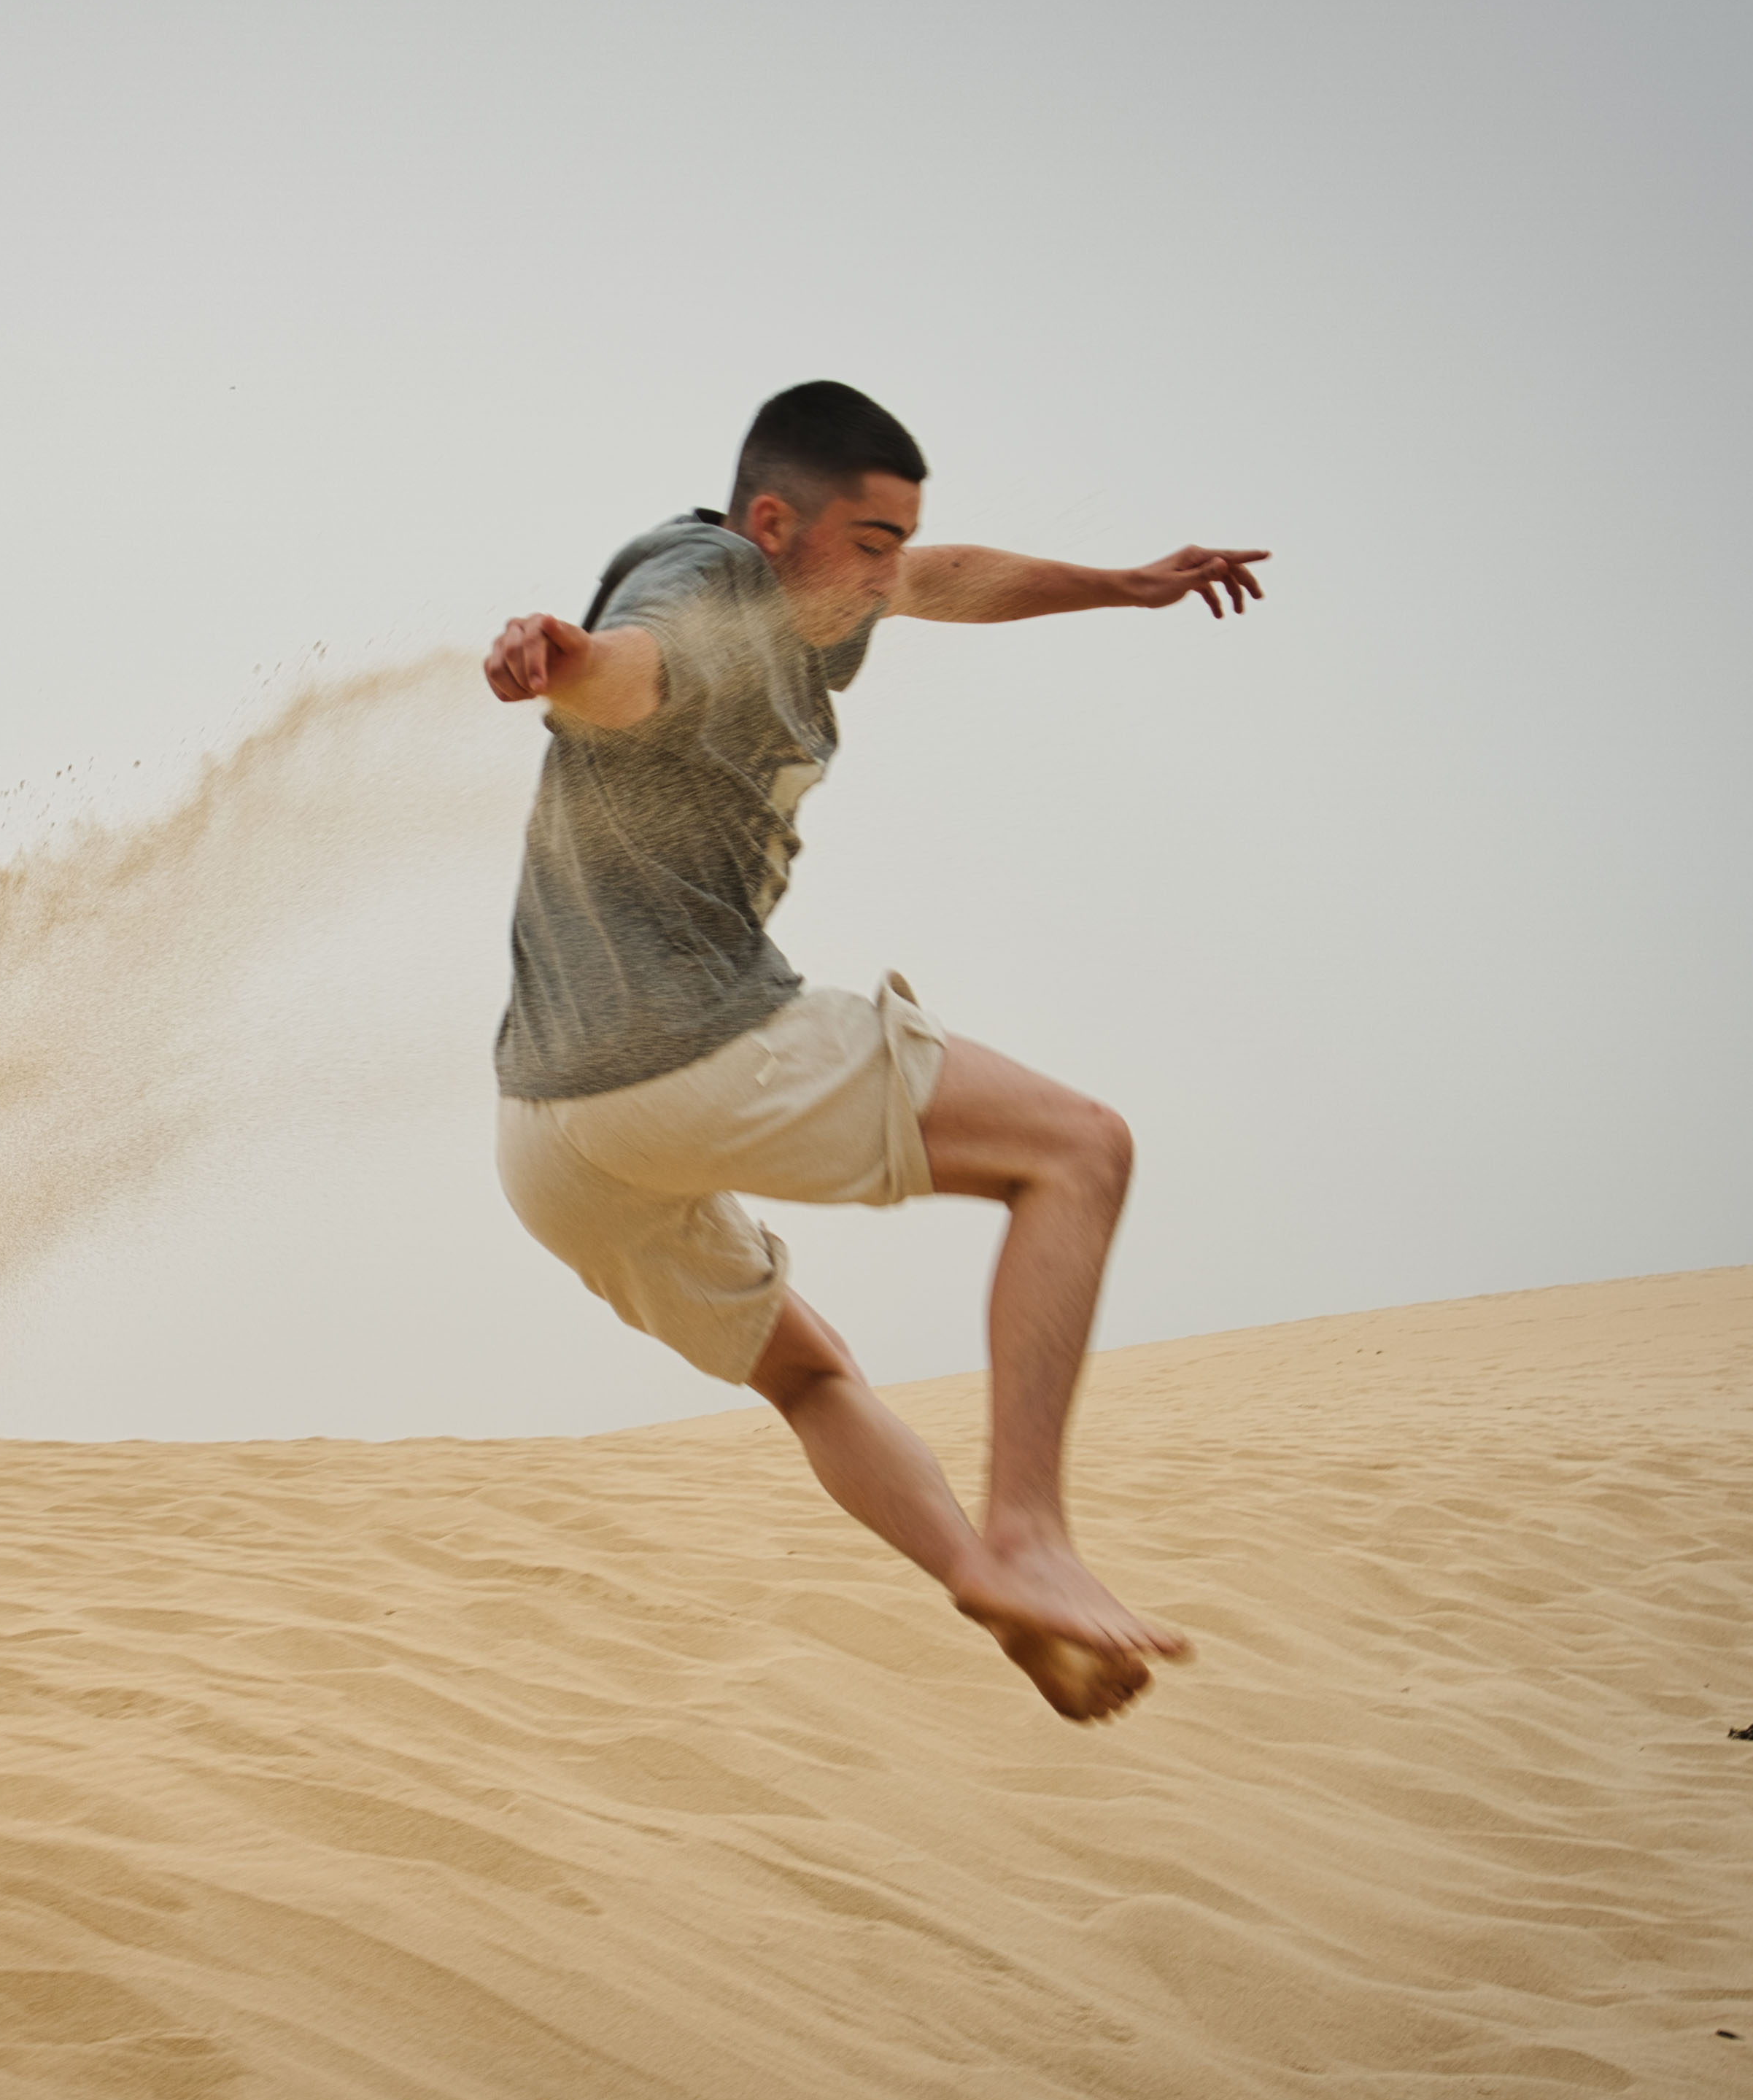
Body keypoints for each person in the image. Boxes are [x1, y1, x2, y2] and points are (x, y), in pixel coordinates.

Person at [483, 380, 1266, 1723]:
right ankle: (1028, 1530)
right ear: (775, 521)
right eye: (872, 543)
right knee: (1077, 1150)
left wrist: (1125, 586)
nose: (892, 572)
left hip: (549, 1135)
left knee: (812, 1373)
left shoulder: (826, 600)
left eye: (900, 539)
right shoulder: (711, 574)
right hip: (686, 1049)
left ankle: (985, 1580)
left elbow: (947, 579)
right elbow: (642, 668)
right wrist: (570, 661)